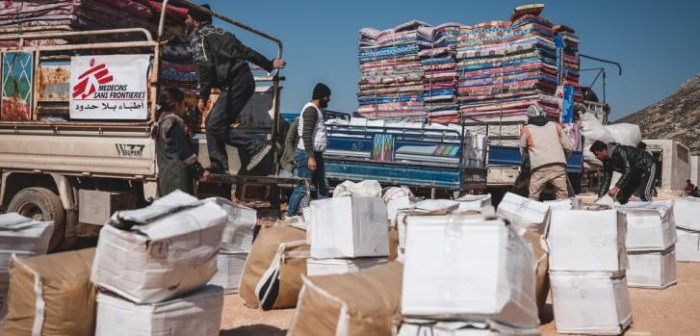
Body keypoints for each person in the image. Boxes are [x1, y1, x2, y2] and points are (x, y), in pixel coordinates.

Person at [186, 5, 285, 174]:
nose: (185, 21)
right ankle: (218, 165)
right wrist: (268, 64)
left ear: (194, 19)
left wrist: (203, 95)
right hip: (244, 81)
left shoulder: (198, 37)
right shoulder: (222, 32)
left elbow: (205, 66)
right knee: (213, 123)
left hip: (236, 83)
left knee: (214, 124)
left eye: (187, 17)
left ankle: (255, 146)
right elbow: (246, 51)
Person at [287, 83, 332, 217]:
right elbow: (306, 134)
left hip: (315, 154)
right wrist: (311, 157)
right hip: (307, 155)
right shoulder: (311, 110)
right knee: (302, 188)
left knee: (323, 186)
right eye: (327, 97)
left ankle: (323, 217)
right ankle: (290, 216)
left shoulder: (316, 110)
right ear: (321, 97)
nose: (329, 100)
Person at [155, 88, 206, 195]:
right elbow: (184, 152)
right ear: (176, 104)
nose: (184, 108)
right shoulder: (173, 123)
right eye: (183, 104)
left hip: (167, 177)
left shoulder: (161, 122)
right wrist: (200, 170)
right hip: (177, 180)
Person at [519, 105, 573, 200]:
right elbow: (568, 147)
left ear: (528, 117)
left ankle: (532, 214)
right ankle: (561, 213)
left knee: (533, 196)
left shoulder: (526, 129)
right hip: (558, 166)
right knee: (562, 196)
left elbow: (522, 149)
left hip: (539, 168)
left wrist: (528, 162)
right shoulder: (556, 126)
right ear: (543, 114)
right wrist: (564, 159)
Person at [590, 140, 657, 204]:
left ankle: (654, 213)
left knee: (644, 194)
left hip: (648, 165)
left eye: (597, 154)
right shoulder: (606, 161)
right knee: (621, 197)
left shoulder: (620, 151)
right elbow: (607, 179)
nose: (597, 157)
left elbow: (628, 170)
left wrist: (616, 187)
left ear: (603, 151)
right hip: (635, 173)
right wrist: (600, 198)